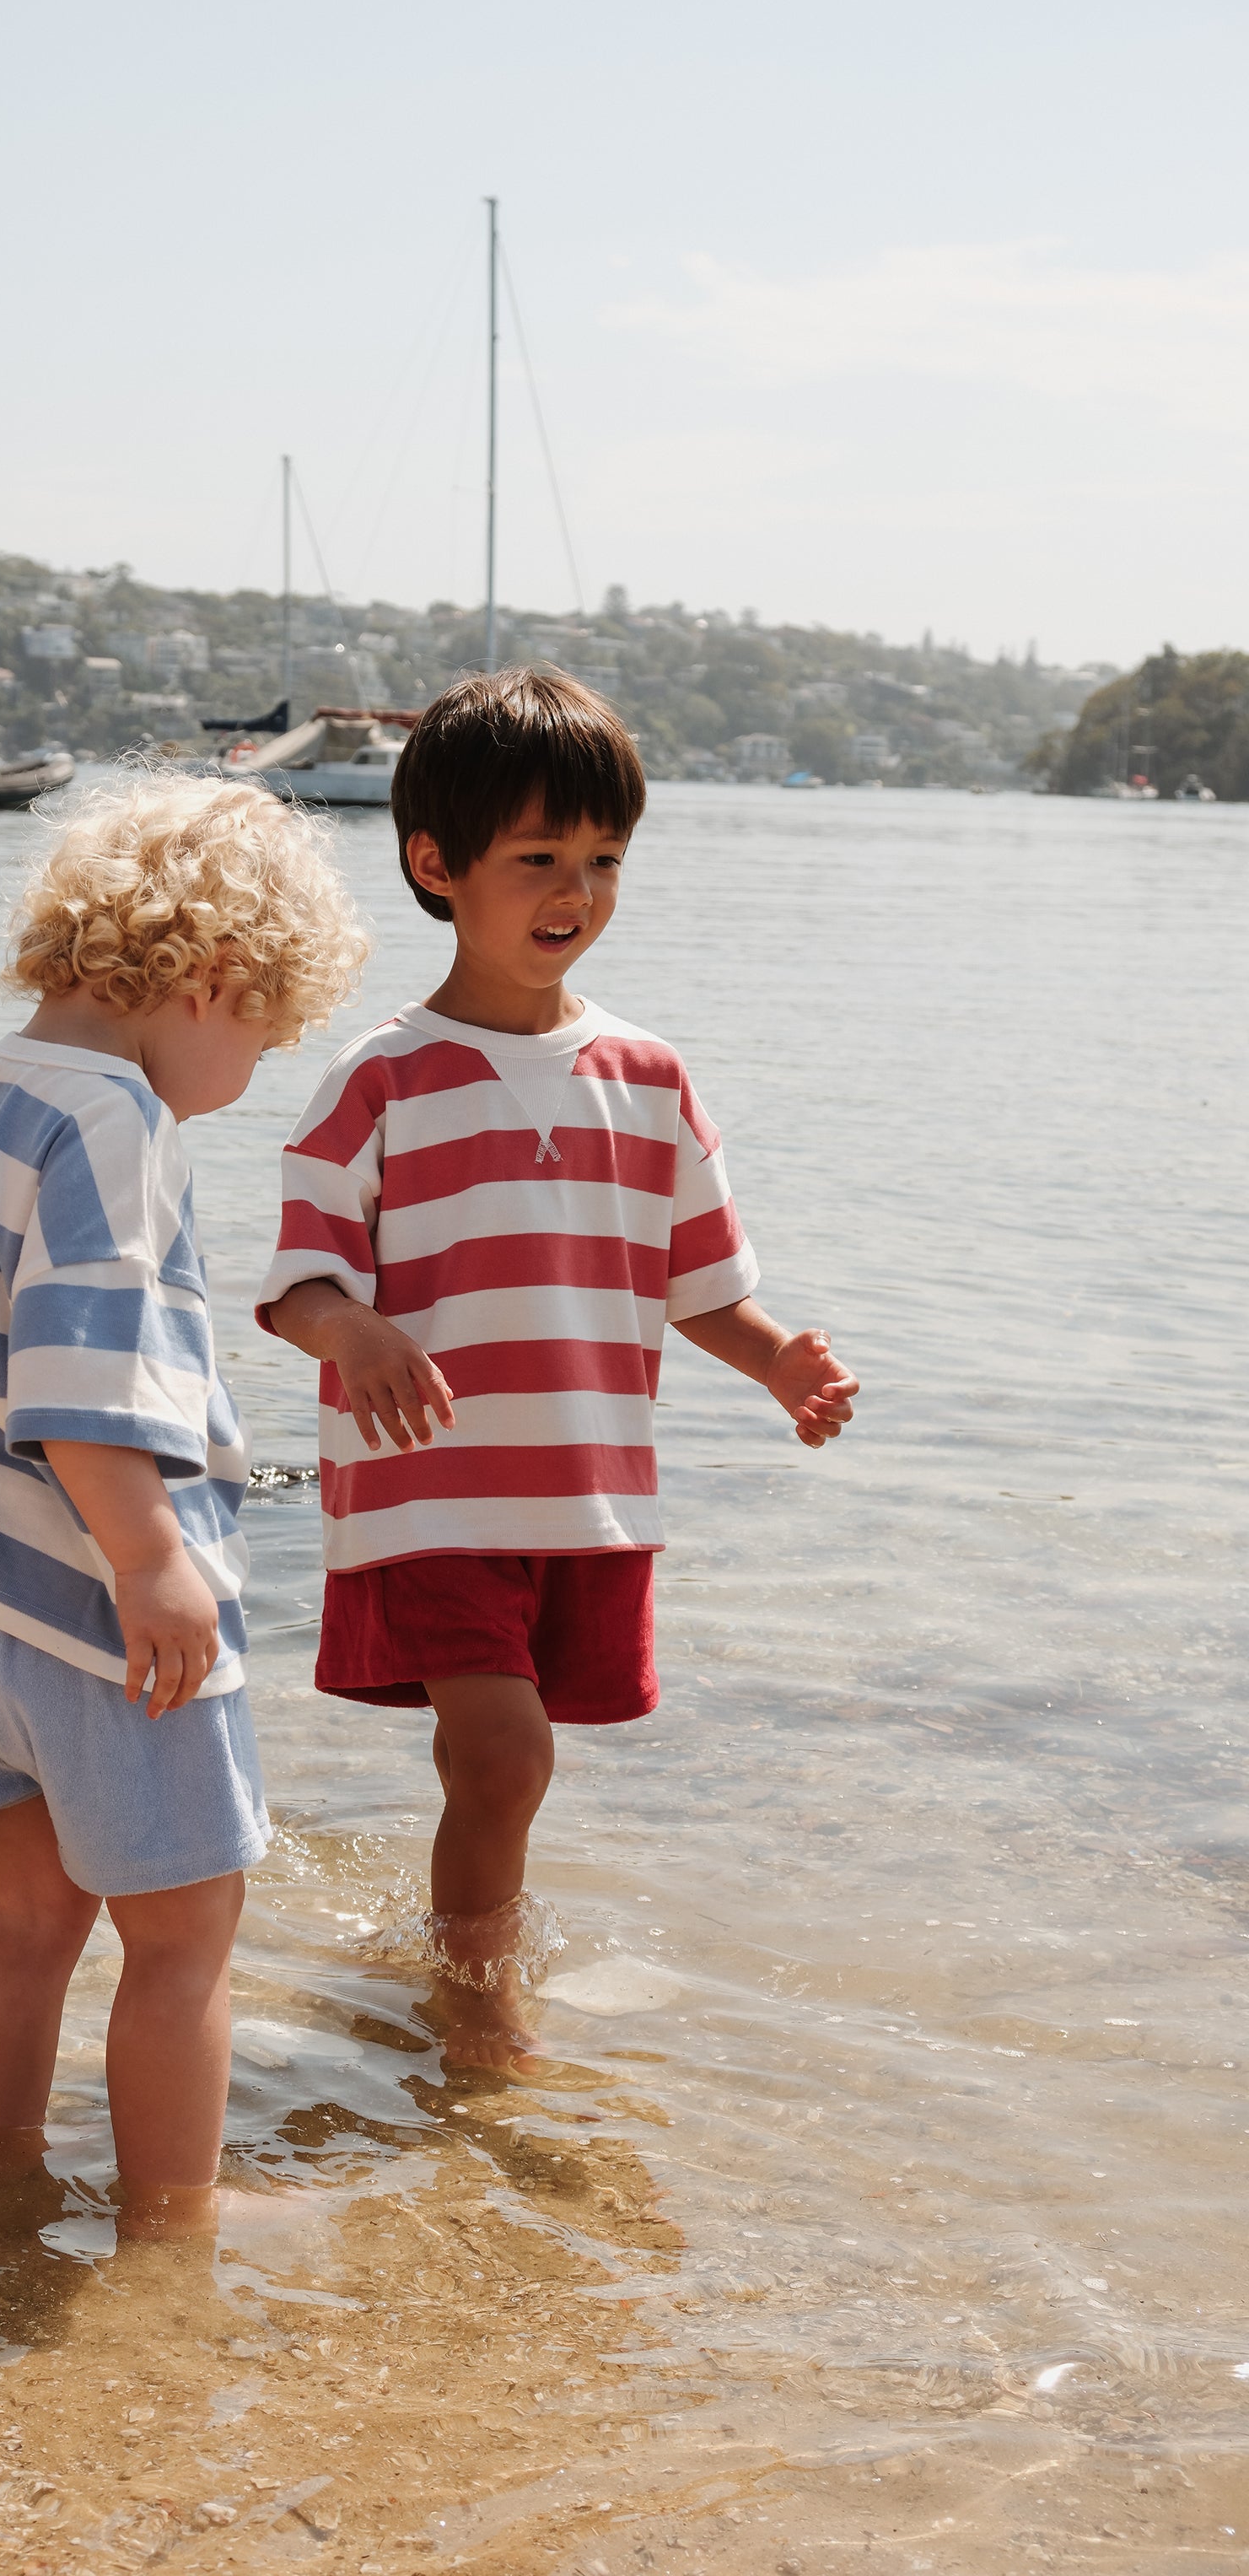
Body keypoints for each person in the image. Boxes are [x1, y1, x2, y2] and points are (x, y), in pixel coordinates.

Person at [258, 669, 859, 2065]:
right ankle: (482, 2017)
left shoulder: (648, 1075)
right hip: (430, 1490)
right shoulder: (382, 1078)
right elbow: (295, 1277)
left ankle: (446, 1947)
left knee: (497, 1756)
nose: (574, 891)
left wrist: (776, 1364)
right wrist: (351, 1329)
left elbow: (698, 1280)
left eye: (602, 861)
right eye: (538, 859)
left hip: (583, 1490)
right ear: (436, 866)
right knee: (510, 1753)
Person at [0, 771, 368, 2229]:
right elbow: (84, 1371)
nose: (254, 1068)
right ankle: (173, 2233)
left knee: (25, 1918)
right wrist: (150, 1560)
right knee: (188, 1930)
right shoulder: (115, 1121)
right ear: (211, 979)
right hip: (95, 1611)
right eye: (267, 1032)